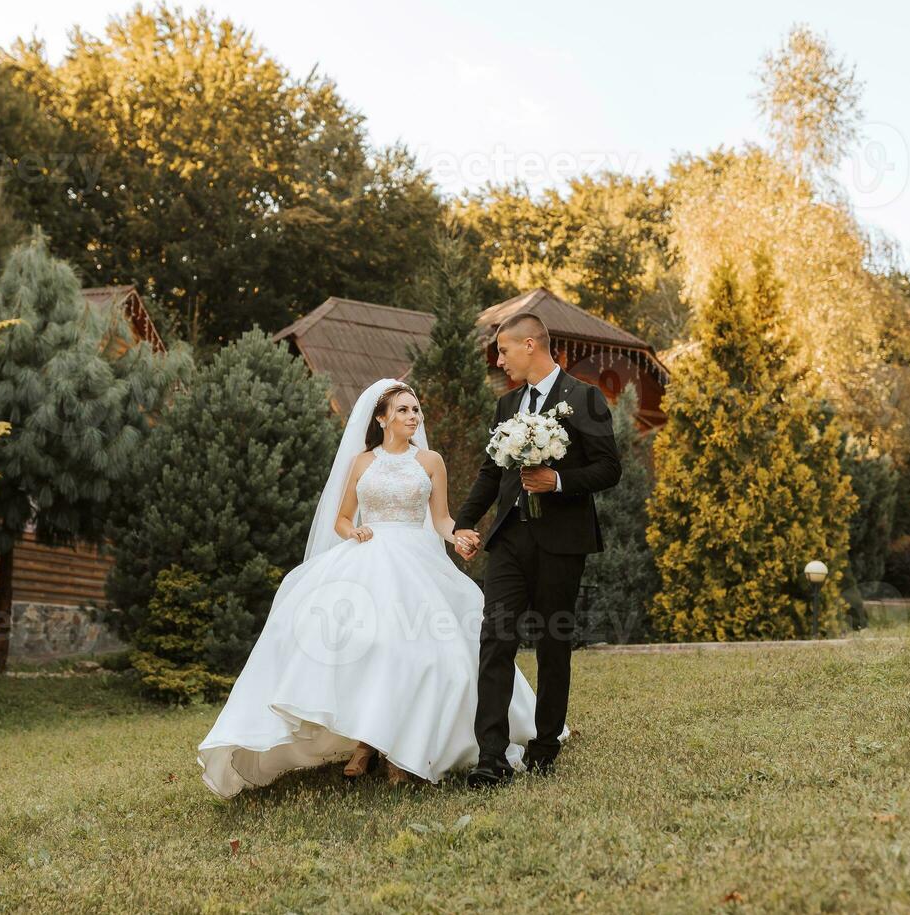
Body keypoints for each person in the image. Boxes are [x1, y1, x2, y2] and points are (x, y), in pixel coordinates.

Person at [197, 378, 546, 797]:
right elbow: (341, 518)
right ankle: (366, 741)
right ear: (381, 418)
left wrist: (460, 537)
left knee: (418, 651)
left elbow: (440, 519)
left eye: (415, 410)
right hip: (368, 556)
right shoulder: (363, 462)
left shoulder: (431, 460)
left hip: (416, 562)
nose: (412, 417)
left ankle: (401, 750)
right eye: (402, 410)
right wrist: (355, 532)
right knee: (362, 645)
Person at [454, 312, 622, 787]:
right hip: (510, 539)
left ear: (531, 345)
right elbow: (492, 472)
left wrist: (559, 481)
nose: (500, 360)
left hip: (563, 542)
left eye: (504, 351)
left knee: (553, 644)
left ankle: (545, 745)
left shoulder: (584, 398)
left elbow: (609, 469)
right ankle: (492, 756)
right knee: (496, 639)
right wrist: (465, 521)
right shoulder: (506, 404)